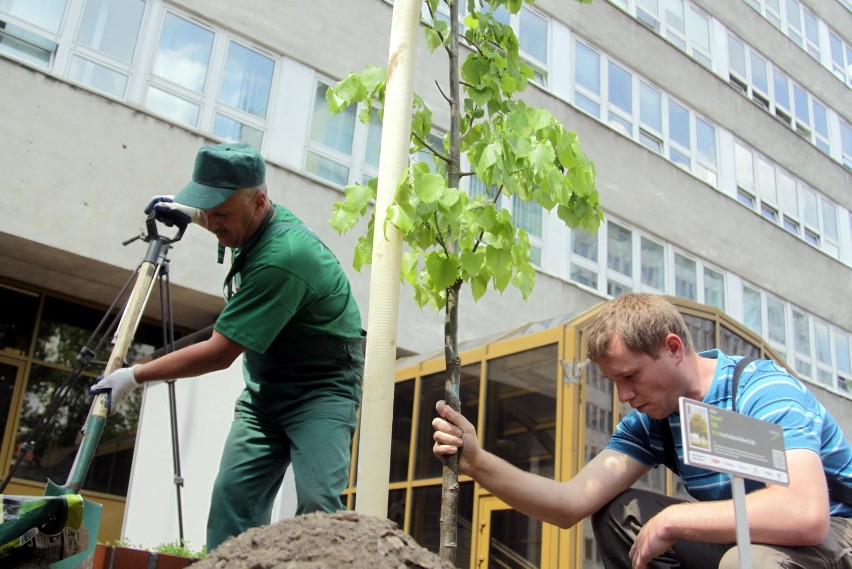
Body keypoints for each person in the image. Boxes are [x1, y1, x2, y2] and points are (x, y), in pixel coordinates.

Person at [432, 293, 852, 568]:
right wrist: (479, 462)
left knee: (748, 563)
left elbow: (805, 514)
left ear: (672, 348)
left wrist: (674, 520)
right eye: (615, 382)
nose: (623, 397)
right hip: (750, 540)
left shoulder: (762, 390)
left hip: (835, 531)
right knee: (620, 514)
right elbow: (569, 503)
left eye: (630, 376)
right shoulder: (654, 421)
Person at [93, 142, 365, 551]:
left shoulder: (284, 256)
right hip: (265, 392)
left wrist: (133, 376)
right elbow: (215, 213)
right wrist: (189, 212)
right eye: (207, 210)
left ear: (259, 201)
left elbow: (219, 353)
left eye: (222, 214)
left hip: (322, 390)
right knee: (232, 506)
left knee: (317, 508)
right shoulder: (246, 219)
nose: (214, 223)